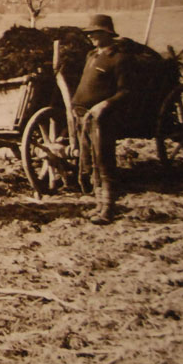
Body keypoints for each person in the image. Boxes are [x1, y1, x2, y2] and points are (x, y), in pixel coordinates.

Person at [71, 14, 137, 225]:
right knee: (90, 161)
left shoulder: (118, 58)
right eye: (89, 33)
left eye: (96, 33)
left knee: (104, 161)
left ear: (108, 33)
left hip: (103, 118)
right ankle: (98, 205)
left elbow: (126, 91)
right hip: (85, 117)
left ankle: (108, 208)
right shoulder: (92, 56)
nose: (91, 37)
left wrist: (104, 105)